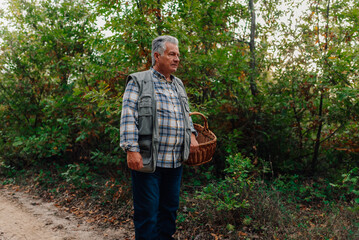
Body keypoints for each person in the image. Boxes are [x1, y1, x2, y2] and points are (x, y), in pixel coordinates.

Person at [120, 35, 199, 240]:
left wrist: (191, 134)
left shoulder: (178, 84)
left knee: (169, 212)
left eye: (178, 55)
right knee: (147, 214)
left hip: (175, 161)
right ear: (157, 56)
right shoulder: (139, 80)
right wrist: (131, 149)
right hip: (148, 160)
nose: (177, 59)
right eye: (171, 54)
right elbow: (128, 115)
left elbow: (186, 114)